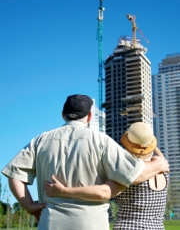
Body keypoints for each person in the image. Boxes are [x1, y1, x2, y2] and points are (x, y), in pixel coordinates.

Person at [1, 95, 169, 230]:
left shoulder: (41, 140)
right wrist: (160, 164)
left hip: (50, 222)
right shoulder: (101, 141)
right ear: (89, 116)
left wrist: (29, 206)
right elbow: (135, 174)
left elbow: (14, 174)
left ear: (63, 114)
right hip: (92, 223)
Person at [44, 122, 169, 230]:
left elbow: (103, 193)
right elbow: (156, 156)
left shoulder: (128, 173)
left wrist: (63, 191)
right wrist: (146, 141)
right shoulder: (163, 168)